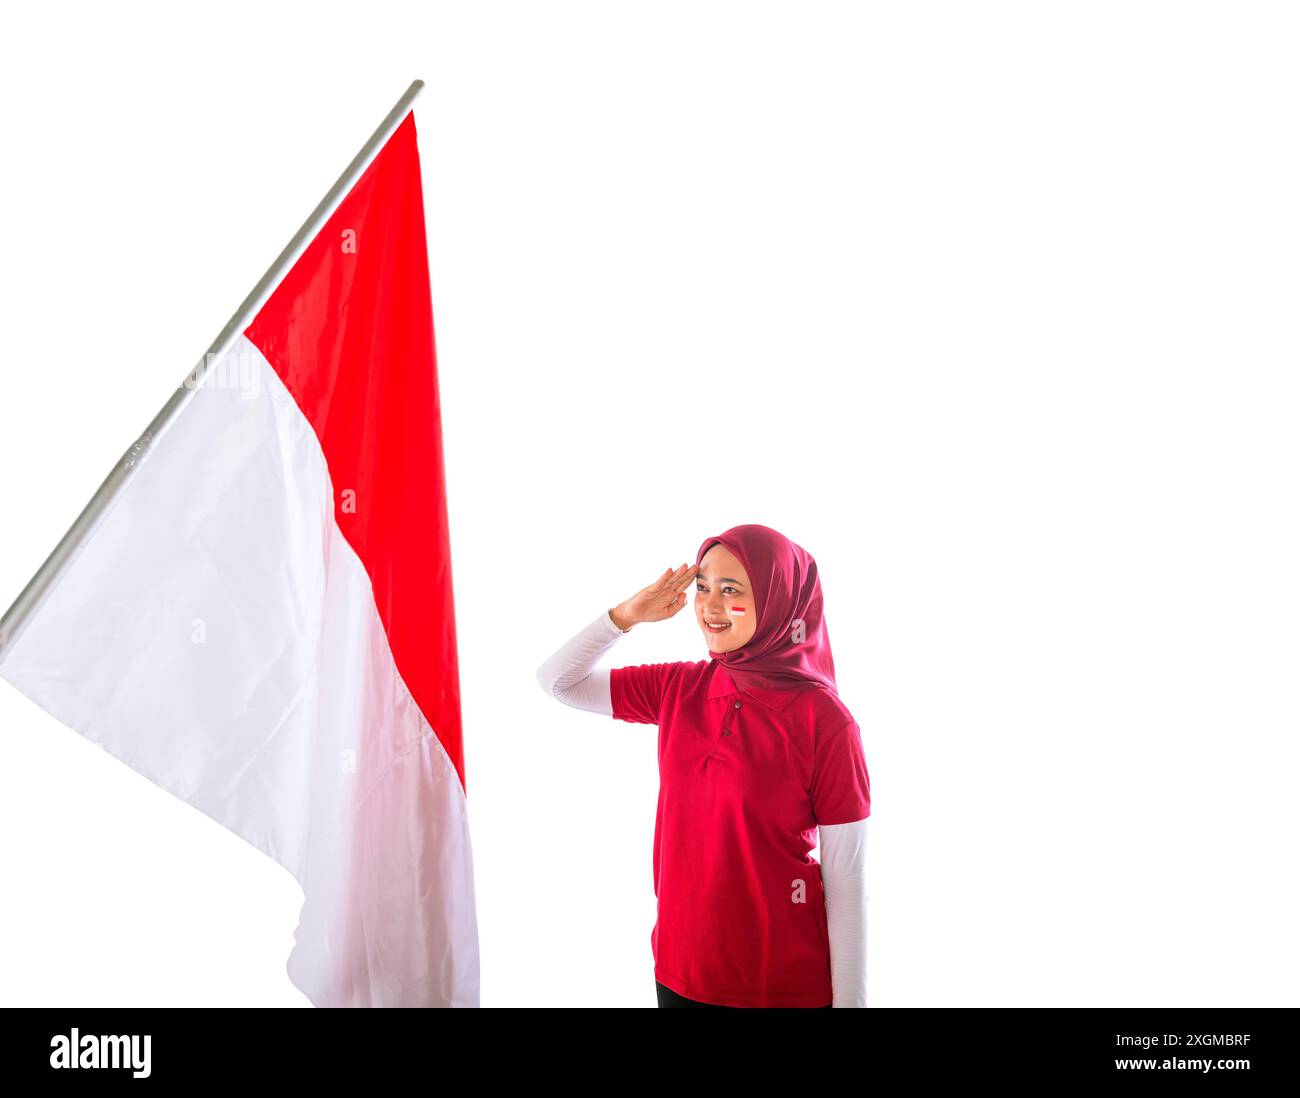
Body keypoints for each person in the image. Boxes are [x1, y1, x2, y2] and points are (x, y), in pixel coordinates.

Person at [536, 523, 871, 1007]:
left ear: (780, 601)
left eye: (731, 590)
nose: (710, 607)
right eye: (703, 587)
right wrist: (625, 616)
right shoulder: (679, 688)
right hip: (679, 973)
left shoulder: (827, 723)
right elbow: (557, 682)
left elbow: (847, 880)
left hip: (779, 985)